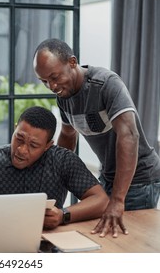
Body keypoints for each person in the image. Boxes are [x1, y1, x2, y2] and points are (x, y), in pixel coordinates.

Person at [33, 38, 160, 237]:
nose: (51, 86)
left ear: (72, 62)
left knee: (125, 247)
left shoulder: (105, 84)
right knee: (101, 238)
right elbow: (67, 136)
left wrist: (118, 200)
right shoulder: (63, 97)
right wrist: (57, 179)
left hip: (139, 180)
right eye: (44, 81)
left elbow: (129, 135)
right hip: (108, 177)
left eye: (54, 77)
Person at [0, 106, 109, 230]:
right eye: (19, 138)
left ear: (48, 145)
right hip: (0, 239)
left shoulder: (62, 160)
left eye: (33, 145)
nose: (22, 150)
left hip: (49, 240)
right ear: (15, 128)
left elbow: (101, 201)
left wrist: (63, 215)